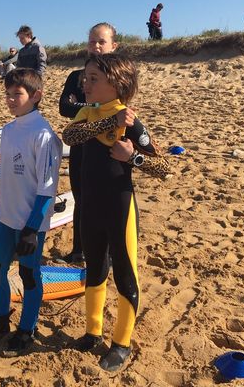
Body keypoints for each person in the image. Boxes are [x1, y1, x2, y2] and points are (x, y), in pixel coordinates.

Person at [62, 53, 171, 372]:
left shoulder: (131, 120)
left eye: (93, 78)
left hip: (119, 208)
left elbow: (165, 168)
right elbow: (71, 136)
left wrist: (132, 157)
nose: (85, 83)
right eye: (86, 77)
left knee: (124, 275)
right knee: (94, 272)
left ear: (117, 84)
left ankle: (121, 344)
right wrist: (109, 123)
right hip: (90, 208)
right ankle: (92, 333)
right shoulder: (88, 112)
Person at [0, 68, 63, 357]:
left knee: (29, 275)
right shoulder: (9, 130)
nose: (11, 99)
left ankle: (27, 330)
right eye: (8, 94)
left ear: (36, 95)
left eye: (18, 94)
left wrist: (33, 228)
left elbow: (47, 187)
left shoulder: (44, 134)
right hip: (6, 218)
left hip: (30, 223)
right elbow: (2, 177)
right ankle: (1, 322)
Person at [58, 22, 119, 265]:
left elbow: (120, 110)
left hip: (111, 146)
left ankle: (112, 254)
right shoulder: (76, 77)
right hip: (81, 144)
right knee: (81, 198)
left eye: (101, 41)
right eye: (92, 41)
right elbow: (64, 107)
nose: (95, 46)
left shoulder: (119, 76)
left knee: (112, 200)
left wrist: (82, 106)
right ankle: (78, 252)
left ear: (113, 46)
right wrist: (95, 107)